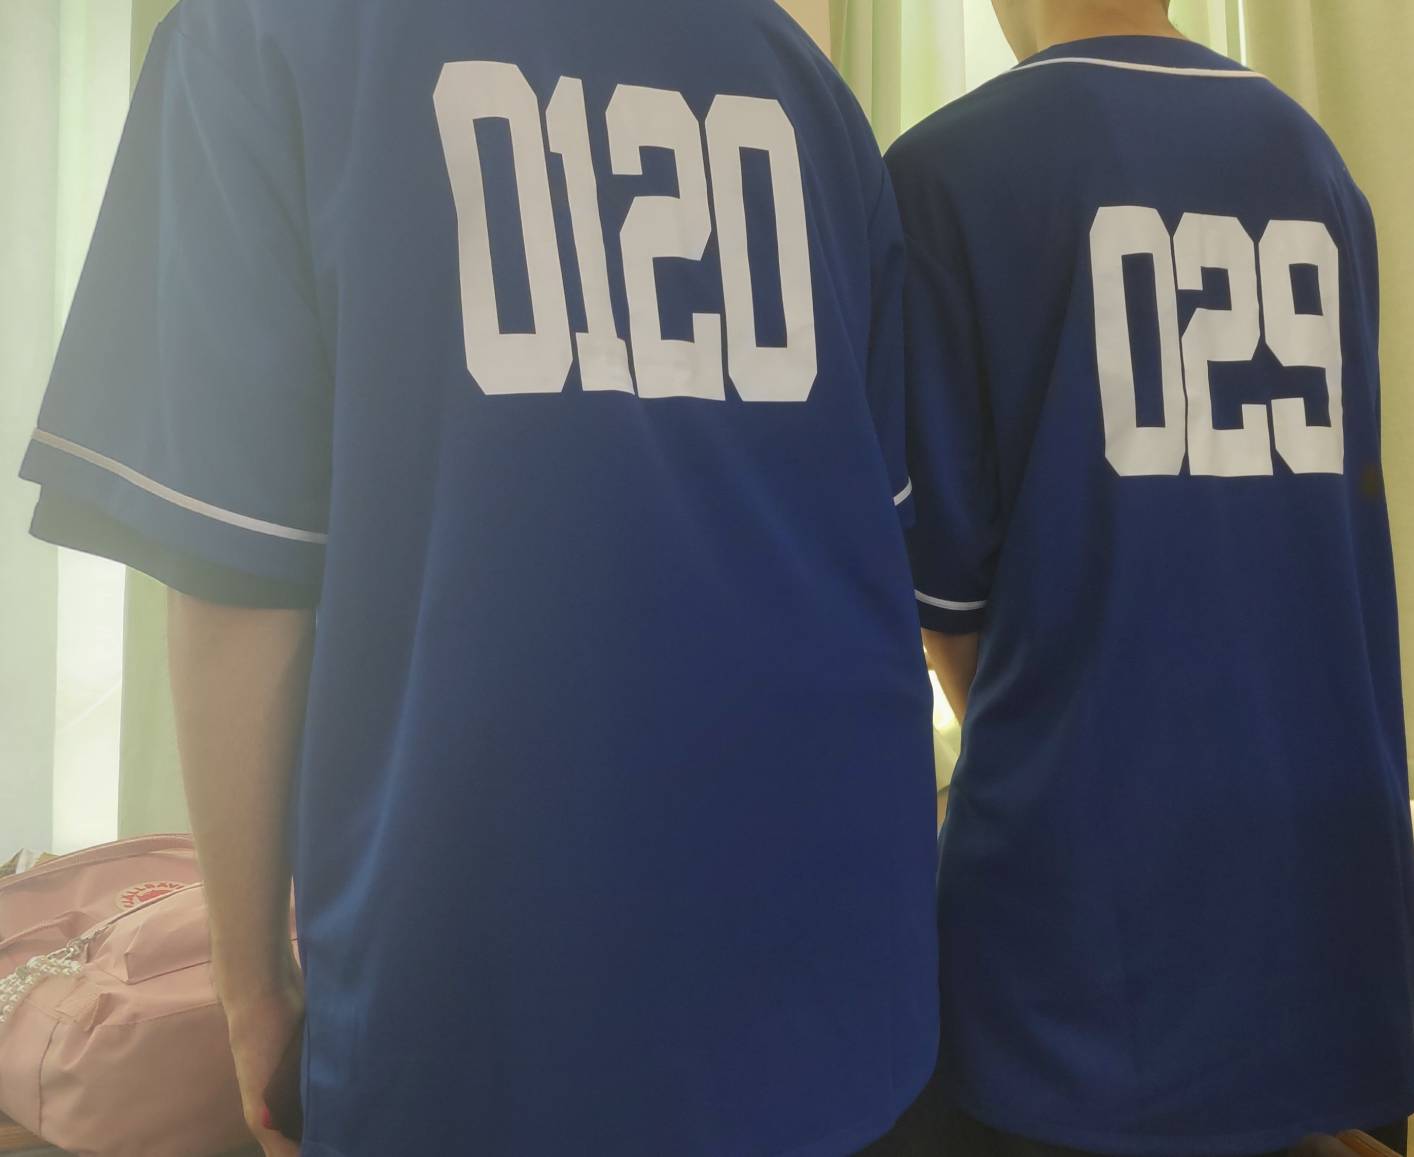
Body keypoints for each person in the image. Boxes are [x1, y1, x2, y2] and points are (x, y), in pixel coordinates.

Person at [18, 1, 943, 1154]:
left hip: (490, 1001)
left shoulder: (261, 36)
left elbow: (235, 576)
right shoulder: (799, 81)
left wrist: (252, 991)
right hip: (842, 959)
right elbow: (870, 541)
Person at [886, 1, 1414, 1155]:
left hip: (1082, 951)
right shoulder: (1313, 163)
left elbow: (946, 611)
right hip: (1329, 894)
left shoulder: (943, 174)